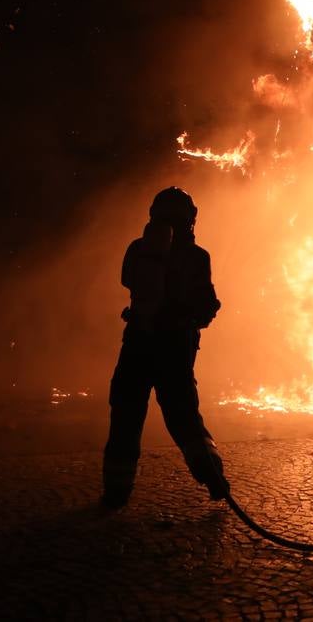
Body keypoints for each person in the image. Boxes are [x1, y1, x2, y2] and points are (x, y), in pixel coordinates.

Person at [102, 186, 230, 509]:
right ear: (190, 219)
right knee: (185, 419)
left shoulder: (137, 249)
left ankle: (116, 492)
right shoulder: (197, 257)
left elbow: (126, 280)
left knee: (126, 418)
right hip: (174, 348)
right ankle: (215, 480)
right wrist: (198, 314)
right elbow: (206, 304)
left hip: (137, 345)